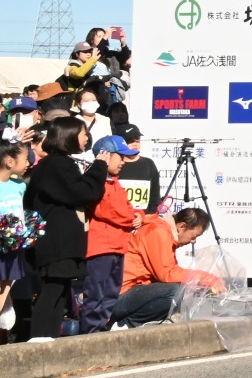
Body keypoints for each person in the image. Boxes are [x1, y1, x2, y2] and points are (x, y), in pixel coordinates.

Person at [24, 117, 109, 340]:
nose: (86, 138)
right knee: (53, 289)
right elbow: (81, 193)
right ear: (69, 136)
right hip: (57, 240)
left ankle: (48, 337)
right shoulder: (57, 164)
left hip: (56, 239)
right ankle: (39, 338)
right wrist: (99, 167)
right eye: (82, 133)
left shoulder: (53, 164)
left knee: (59, 291)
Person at [78, 136, 141, 334]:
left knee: (111, 293)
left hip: (118, 246)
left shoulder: (114, 182)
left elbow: (128, 208)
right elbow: (108, 210)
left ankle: (100, 328)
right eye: (120, 157)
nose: (123, 161)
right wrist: (133, 218)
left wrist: (138, 216)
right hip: (100, 248)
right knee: (96, 294)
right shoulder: (96, 181)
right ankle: (90, 333)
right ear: (105, 155)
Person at [113, 205, 213, 326]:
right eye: (194, 236)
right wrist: (204, 278)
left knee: (181, 289)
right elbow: (167, 273)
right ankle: (128, 323)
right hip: (117, 297)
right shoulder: (158, 231)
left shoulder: (164, 233)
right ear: (182, 226)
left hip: (127, 293)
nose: (193, 241)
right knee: (175, 292)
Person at [0, 143, 37, 334]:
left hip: (14, 248)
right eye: (25, 158)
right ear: (9, 161)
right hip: (1, 247)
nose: (29, 162)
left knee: (6, 287)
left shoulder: (20, 186)